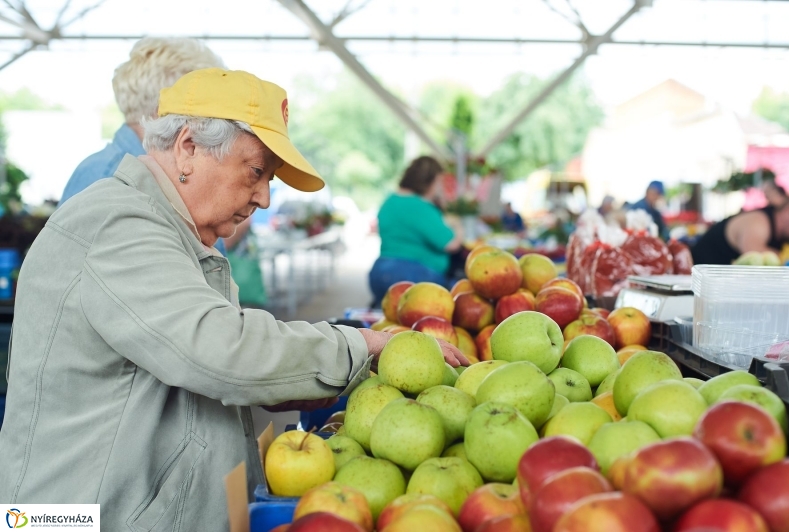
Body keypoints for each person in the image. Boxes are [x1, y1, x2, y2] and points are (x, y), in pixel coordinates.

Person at [0, 69, 467, 530]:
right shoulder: (119, 226)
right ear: (188, 148)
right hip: (70, 518)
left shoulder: (176, 235)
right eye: (256, 172)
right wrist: (361, 346)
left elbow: (216, 364)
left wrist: (321, 376)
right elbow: (222, 350)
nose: (264, 198)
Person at [59, 37, 225, 206]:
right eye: (207, 111)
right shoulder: (112, 179)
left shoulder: (125, 172)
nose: (214, 125)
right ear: (164, 110)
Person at [369, 156, 463, 305]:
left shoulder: (389, 201)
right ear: (429, 181)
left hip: (380, 271)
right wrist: (457, 226)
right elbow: (451, 244)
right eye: (439, 182)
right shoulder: (420, 207)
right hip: (414, 277)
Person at [691, 193, 789, 265]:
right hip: (693, 284)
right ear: (788, 212)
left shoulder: (786, 237)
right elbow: (753, 253)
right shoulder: (759, 221)